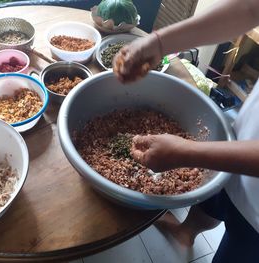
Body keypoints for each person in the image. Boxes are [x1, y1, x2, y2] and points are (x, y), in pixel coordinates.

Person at [113, 0, 259, 262]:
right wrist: (158, 43)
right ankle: (186, 232)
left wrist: (188, 151)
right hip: (242, 142)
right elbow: (251, 8)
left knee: (238, 245)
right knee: (217, 199)